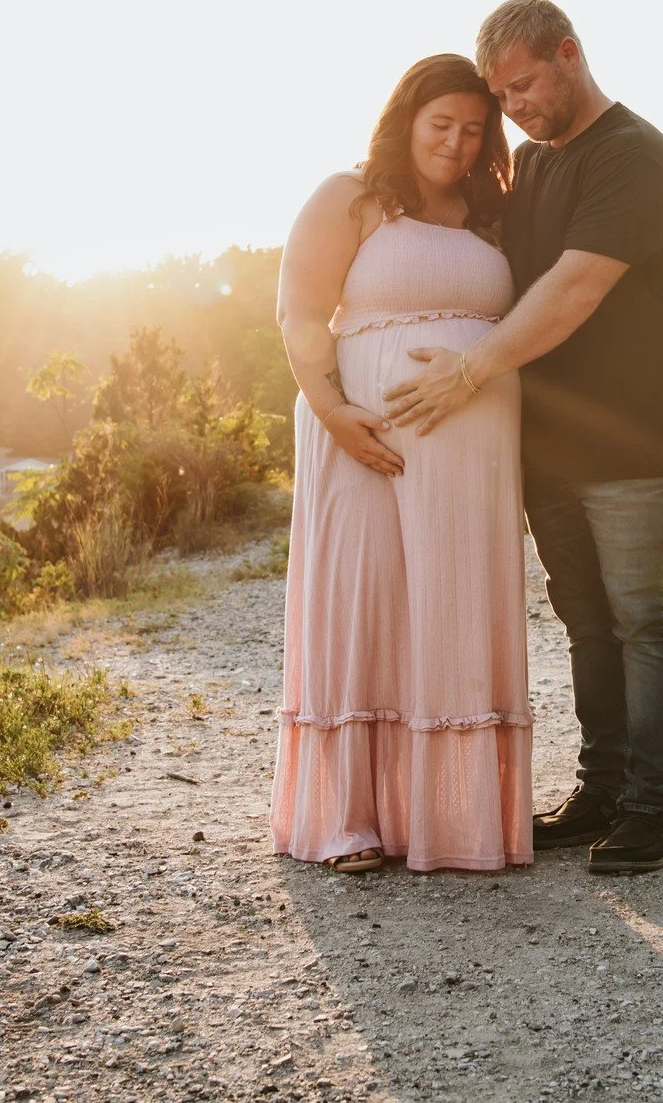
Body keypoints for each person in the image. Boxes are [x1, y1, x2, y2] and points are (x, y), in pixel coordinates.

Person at [382, 0, 663, 874]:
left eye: (523, 85)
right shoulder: (528, 163)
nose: (514, 107)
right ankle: (602, 789)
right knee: (587, 623)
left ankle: (653, 807)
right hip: (552, 445)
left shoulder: (634, 157)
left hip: (640, 439)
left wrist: (466, 371)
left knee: (643, 617)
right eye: (502, 93)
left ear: (569, 53)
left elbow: (570, 290)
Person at [270, 54, 533, 874]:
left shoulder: (487, 212)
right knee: (366, 603)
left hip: (471, 462)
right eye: (440, 125)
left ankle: (452, 822)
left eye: (473, 128)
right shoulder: (351, 197)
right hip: (363, 440)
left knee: (453, 611)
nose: (456, 144)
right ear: (406, 119)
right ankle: (348, 821)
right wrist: (331, 410)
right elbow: (299, 310)